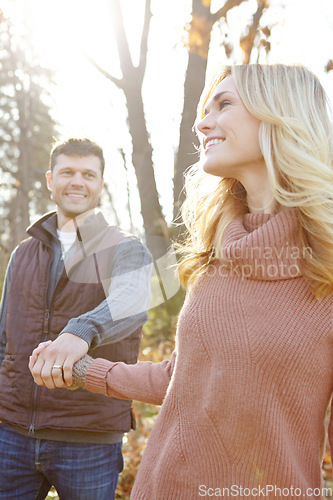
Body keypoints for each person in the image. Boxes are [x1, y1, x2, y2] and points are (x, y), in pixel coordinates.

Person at [31, 64, 333, 499]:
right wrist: (83, 370)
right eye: (204, 109)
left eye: (224, 104)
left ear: (280, 114)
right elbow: (183, 376)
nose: (201, 122)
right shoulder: (215, 260)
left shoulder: (323, 272)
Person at [0, 137, 152, 500]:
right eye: (67, 172)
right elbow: (5, 335)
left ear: (100, 184)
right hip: (12, 435)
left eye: (88, 174)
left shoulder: (124, 248)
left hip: (88, 437)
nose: (77, 182)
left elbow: (130, 301)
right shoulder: (23, 252)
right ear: (51, 180)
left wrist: (80, 331)